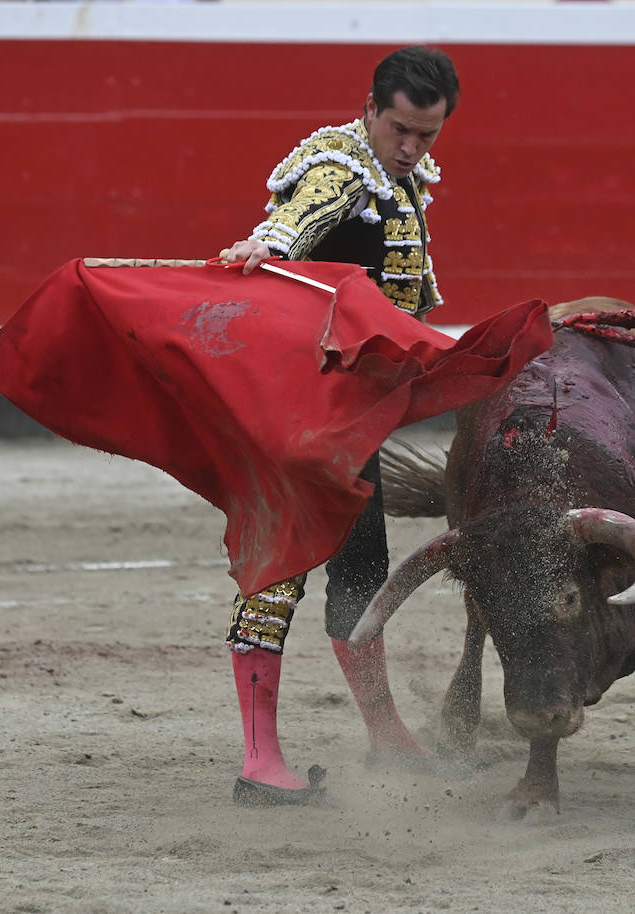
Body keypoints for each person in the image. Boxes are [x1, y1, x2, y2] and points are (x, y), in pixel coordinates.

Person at [221, 45, 460, 806]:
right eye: (400, 129)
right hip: (294, 418)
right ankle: (260, 763)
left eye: (427, 134)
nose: (413, 148)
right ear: (370, 106)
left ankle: (386, 734)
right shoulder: (342, 167)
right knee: (276, 576)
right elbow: (303, 215)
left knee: (360, 570)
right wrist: (271, 244)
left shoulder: (402, 174)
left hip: (350, 420)